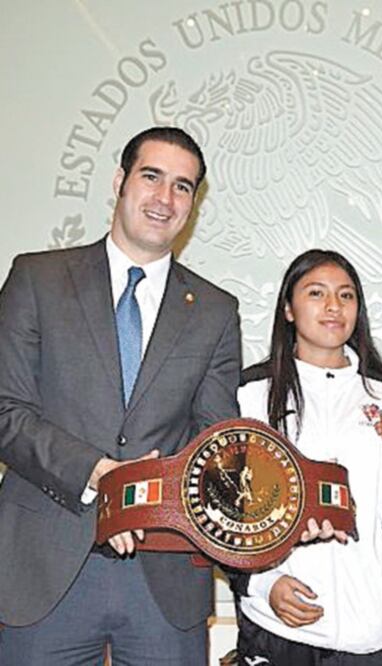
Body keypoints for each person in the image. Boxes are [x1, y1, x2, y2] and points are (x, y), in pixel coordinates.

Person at [0, 126, 242, 664]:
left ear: (193, 205)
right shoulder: (37, 278)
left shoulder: (216, 310)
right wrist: (100, 474)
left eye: (182, 186)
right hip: (44, 568)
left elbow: (215, 442)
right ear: (119, 181)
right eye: (151, 176)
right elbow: (5, 411)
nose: (165, 198)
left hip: (164, 576)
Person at [232, 249, 382, 665]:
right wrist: (263, 584)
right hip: (279, 627)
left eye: (346, 295)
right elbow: (222, 512)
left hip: (369, 632)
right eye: (316, 293)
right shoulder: (250, 393)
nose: (334, 306)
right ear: (288, 309)